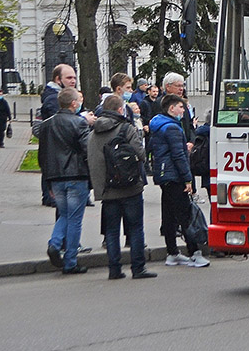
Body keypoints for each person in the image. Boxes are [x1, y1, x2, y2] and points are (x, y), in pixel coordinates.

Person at [86, 93, 156, 280]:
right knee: (135, 228)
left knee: (111, 230)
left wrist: (100, 188)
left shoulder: (93, 133)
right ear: (119, 110)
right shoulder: (126, 128)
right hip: (129, 187)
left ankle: (114, 269)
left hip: (107, 190)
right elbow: (141, 154)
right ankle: (138, 268)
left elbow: (92, 161)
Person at [38, 87, 92, 274]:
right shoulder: (79, 123)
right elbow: (88, 149)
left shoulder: (46, 125)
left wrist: (48, 180)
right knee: (75, 219)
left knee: (64, 214)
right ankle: (70, 261)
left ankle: (54, 244)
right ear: (74, 103)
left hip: (55, 177)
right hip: (76, 175)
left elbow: (42, 155)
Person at [150, 93, 208, 268]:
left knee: (169, 215)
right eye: (181, 107)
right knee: (185, 215)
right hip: (175, 175)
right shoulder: (173, 128)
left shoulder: (158, 125)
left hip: (164, 175)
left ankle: (172, 252)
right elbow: (179, 155)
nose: (183, 110)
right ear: (171, 108)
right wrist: (187, 179)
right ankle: (194, 253)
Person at [38, 64, 78, 207]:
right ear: (57, 79)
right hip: (54, 144)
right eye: (69, 78)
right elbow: (59, 121)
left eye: (74, 77)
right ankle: (50, 197)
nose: (73, 81)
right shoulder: (53, 98)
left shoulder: (59, 95)